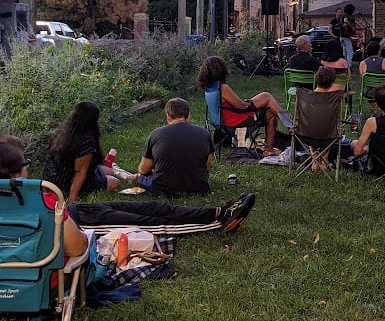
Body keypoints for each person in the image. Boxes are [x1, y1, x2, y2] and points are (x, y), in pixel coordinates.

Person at [1, 137, 256, 245]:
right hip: (81, 225)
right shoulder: (23, 202)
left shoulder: (22, 196)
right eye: (24, 166)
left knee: (153, 207)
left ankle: (220, 210)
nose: (27, 171)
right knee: (150, 223)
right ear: (14, 174)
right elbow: (75, 244)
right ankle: (218, 223)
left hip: (78, 211)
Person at [197, 55, 284, 156]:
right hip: (234, 122)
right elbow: (242, 107)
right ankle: (289, 126)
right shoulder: (222, 88)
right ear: (221, 70)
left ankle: (273, 144)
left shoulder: (208, 88)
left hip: (220, 123)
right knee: (268, 101)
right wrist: (251, 103)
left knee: (268, 106)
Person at [42, 101, 120, 202]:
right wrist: (72, 198)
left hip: (51, 179)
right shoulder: (86, 142)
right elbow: (80, 173)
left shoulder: (61, 132)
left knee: (109, 171)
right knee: (115, 182)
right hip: (65, 183)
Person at [136, 98, 214, 196]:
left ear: (168, 116)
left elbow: (143, 169)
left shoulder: (156, 134)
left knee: (141, 177)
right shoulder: (204, 133)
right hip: (198, 187)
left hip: (163, 188)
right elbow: (208, 165)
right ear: (189, 115)